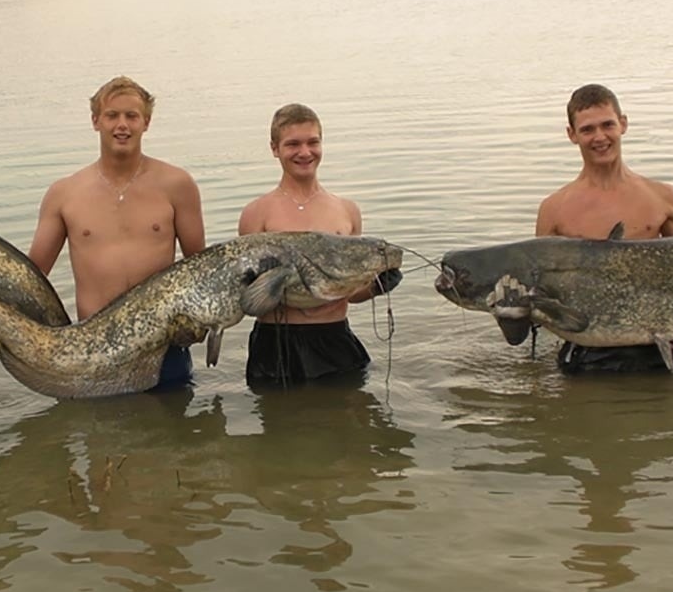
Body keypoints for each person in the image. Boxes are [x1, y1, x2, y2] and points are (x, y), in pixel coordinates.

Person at [534, 83, 673, 373]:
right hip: (587, 354)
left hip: (665, 347)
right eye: (587, 129)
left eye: (607, 125)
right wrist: (512, 314)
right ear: (572, 135)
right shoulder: (554, 209)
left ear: (623, 124)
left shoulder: (662, 197)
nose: (600, 137)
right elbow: (539, 303)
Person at [27, 75, 205, 389]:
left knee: (176, 434)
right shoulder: (64, 193)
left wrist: (198, 324)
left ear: (146, 123)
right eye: (112, 115)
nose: (121, 125)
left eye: (131, 116)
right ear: (96, 121)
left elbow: (201, 270)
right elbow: (31, 276)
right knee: (100, 435)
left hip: (164, 346)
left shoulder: (178, 185)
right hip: (94, 347)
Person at [236, 102, 400, 387]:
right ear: (275, 148)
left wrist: (375, 287)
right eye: (293, 144)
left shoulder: (347, 211)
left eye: (313, 142)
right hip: (275, 345)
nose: (304, 152)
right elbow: (250, 296)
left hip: (335, 338)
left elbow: (348, 293)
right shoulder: (256, 213)